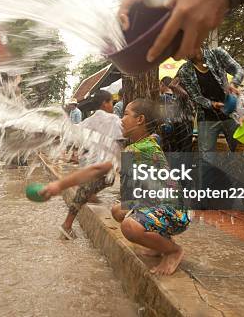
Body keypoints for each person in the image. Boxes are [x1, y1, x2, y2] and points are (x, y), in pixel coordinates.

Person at [43, 99, 190, 276]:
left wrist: (59, 184)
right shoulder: (142, 144)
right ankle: (160, 244)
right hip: (164, 205)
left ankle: (173, 250)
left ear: (140, 119)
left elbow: (98, 169)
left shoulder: (138, 149)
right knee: (117, 211)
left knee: (129, 227)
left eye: (126, 114)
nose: (121, 119)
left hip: (175, 212)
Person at [57, 90, 122, 239]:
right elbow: (120, 140)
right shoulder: (114, 119)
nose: (112, 105)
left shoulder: (87, 121)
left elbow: (76, 140)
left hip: (88, 164)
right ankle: (66, 225)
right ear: (104, 103)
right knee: (90, 190)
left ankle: (89, 196)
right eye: (111, 102)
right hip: (102, 164)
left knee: (87, 189)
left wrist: (75, 155)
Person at [159, 76, 194, 154]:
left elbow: (172, 85)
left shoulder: (184, 95)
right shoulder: (177, 98)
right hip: (182, 127)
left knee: (179, 152)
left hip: (180, 127)